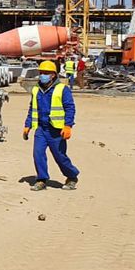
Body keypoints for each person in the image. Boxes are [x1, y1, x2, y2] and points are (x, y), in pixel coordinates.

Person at [23, 60, 79, 191]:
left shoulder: (62, 89)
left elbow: (70, 108)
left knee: (60, 157)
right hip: (41, 129)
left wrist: (68, 126)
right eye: (41, 72)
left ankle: (72, 176)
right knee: (38, 154)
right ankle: (41, 179)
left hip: (56, 130)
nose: (42, 75)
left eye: (46, 73)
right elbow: (32, 109)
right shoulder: (36, 89)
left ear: (53, 75)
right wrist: (28, 125)